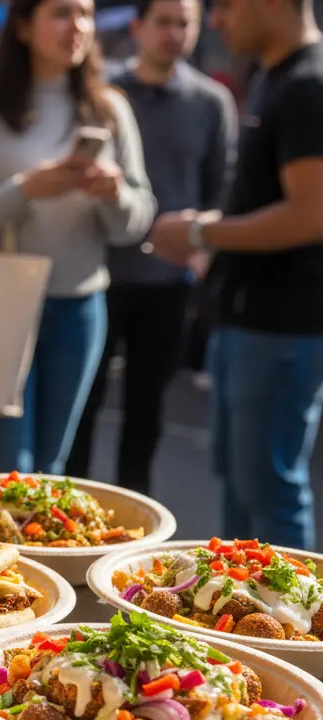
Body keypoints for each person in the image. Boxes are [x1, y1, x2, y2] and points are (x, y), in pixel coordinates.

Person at [0, 0, 157, 474]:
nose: (78, 26)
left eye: (86, 13)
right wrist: (23, 191)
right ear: (24, 26)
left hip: (80, 306)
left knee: (51, 467)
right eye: (62, 12)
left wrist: (113, 194)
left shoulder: (109, 108)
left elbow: (137, 221)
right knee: (11, 467)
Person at [148, 0, 323, 548]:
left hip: (281, 327)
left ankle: (291, 631)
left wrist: (205, 233)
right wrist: (208, 232)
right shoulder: (278, 76)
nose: (216, 21)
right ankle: (243, 619)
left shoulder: (309, 83)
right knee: (243, 485)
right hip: (248, 321)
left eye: (223, 6)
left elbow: (310, 213)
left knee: (269, 491)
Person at [66, 0, 237, 494]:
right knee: (81, 405)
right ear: (138, 28)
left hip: (167, 283)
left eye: (184, 23)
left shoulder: (210, 102)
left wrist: (201, 244)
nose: (173, 33)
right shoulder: (105, 94)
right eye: (163, 22)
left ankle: (135, 522)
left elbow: (219, 187)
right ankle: (63, 518)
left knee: (147, 411)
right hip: (97, 275)